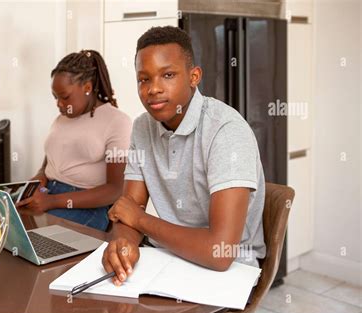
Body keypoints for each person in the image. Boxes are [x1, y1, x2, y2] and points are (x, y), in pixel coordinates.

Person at [101, 26, 266, 286]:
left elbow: (219, 252)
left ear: (194, 76)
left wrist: (141, 221)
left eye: (167, 75)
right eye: (144, 79)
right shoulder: (143, 127)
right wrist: (124, 243)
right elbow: (127, 209)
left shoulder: (226, 131)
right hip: (166, 256)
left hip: (229, 271)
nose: (153, 89)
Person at [17, 50, 132, 232]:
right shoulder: (61, 120)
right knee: (8, 226)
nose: (59, 104)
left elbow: (115, 189)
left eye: (65, 97)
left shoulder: (117, 121)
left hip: (85, 205)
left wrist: (52, 201)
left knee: (42, 241)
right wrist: (39, 180)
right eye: (56, 97)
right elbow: (48, 164)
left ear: (87, 87)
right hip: (49, 194)